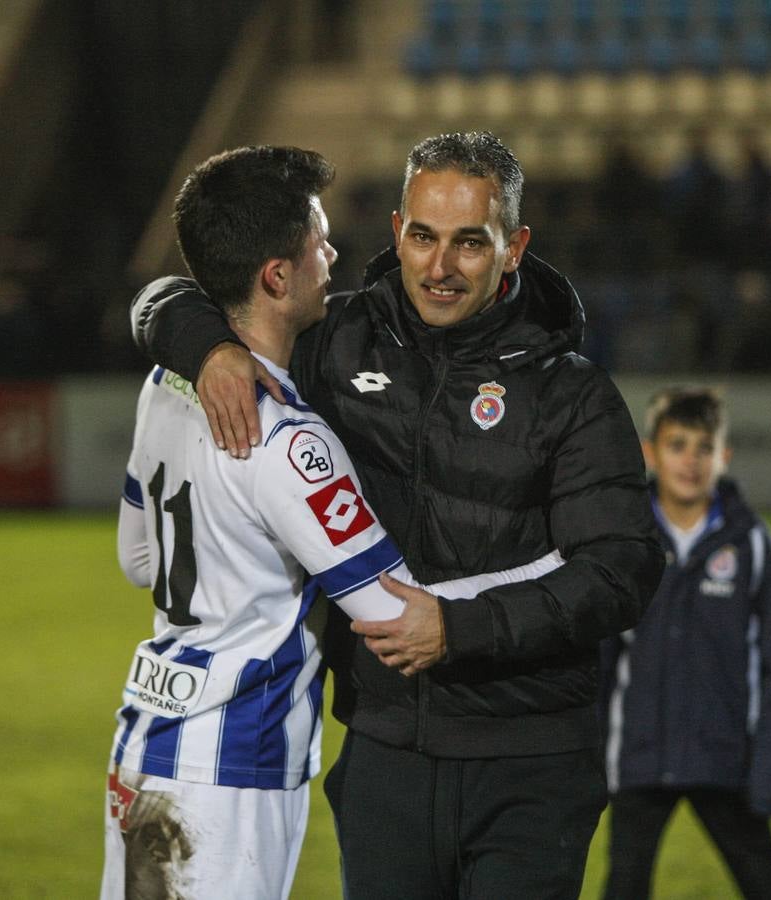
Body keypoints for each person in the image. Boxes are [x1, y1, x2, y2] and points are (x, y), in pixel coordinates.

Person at [130, 131, 663, 898]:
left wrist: (458, 629)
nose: (439, 267)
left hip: (529, 763)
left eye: (468, 244)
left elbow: (620, 571)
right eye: (422, 237)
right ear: (396, 232)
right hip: (386, 755)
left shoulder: (570, 393)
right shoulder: (335, 344)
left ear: (513, 248)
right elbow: (172, 293)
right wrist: (207, 347)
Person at [600, 386, 771, 900]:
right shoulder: (626, 540)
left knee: (767, 883)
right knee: (623, 885)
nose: (690, 461)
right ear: (650, 452)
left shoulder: (751, 542)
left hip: (725, 756)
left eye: (703, 447)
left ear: (723, 456)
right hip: (640, 755)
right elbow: (598, 658)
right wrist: (589, 751)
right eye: (677, 445)